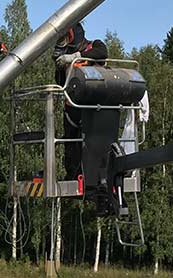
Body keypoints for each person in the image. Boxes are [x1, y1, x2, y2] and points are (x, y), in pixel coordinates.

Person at [52, 22, 109, 179]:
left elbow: (102, 52)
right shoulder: (66, 55)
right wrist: (59, 63)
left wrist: (77, 57)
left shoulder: (94, 46)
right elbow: (60, 82)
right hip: (72, 107)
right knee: (71, 144)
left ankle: (98, 174)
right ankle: (73, 174)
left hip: (93, 106)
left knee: (94, 143)